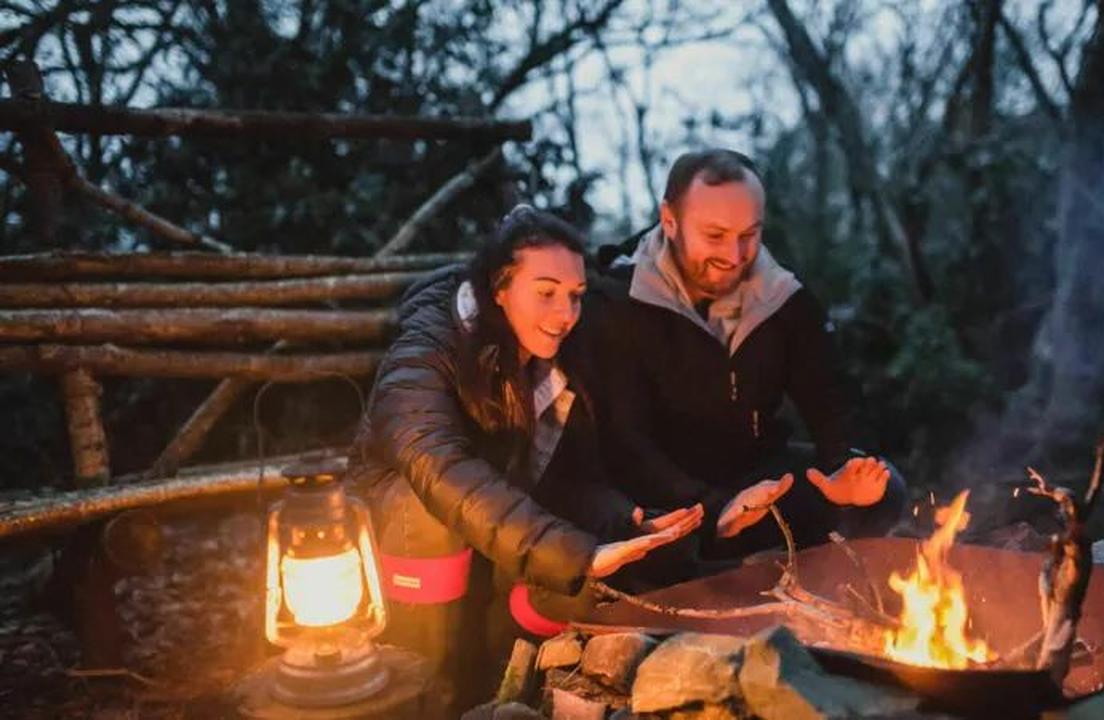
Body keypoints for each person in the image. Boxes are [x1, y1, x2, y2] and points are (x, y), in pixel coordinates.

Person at [345, 205, 703, 717]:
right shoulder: (427, 346)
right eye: (547, 291)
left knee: (581, 586)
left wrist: (627, 522)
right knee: (424, 512)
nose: (565, 313)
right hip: (399, 525)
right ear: (498, 288)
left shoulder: (550, 366)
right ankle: (424, 689)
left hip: (493, 517)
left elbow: (570, 478)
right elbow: (435, 462)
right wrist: (572, 553)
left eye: (576, 297)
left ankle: (496, 678)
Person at [594, 149, 905, 566]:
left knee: (885, 490)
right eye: (715, 236)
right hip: (669, 498)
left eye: (749, 234)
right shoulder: (617, 302)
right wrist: (717, 507)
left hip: (759, 483)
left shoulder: (782, 298)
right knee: (643, 533)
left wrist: (842, 468)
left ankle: (800, 580)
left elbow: (831, 400)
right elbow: (626, 443)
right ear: (670, 221)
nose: (736, 255)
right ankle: (723, 567)